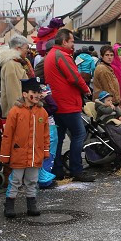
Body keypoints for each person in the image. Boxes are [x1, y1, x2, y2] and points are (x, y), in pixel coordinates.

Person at [45, 28, 96, 184]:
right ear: (64, 41)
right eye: (72, 41)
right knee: (79, 134)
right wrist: (86, 89)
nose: (74, 44)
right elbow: (75, 77)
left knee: (59, 138)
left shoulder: (51, 55)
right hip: (67, 103)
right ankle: (76, 169)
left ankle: (57, 169)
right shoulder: (62, 56)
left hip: (57, 103)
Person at [0, 77, 50, 218]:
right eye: (34, 92)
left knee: (32, 180)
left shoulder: (42, 112)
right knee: (15, 180)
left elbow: (46, 135)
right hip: (19, 154)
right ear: (24, 94)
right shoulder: (15, 112)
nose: (38, 95)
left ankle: (31, 204)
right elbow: (8, 135)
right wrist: (5, 155)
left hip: (35, 154)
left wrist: (45, 150)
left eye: (39, 92)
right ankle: (9, 204)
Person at [0, 35, 34, 117]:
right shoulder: (11, 64)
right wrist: (19, 112)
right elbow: (13, 93)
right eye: (26, 47)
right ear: (18, 48)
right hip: (17, 114)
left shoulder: (17, 63)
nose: (28, 50)